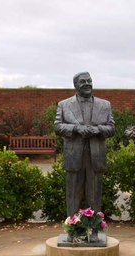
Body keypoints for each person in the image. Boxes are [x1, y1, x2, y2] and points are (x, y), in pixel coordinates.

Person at [54, 72, 115, 219]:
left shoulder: (105, 105)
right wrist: (76, 128)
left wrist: (98, 129)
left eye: (89, 81)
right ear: (75, 85)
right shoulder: (64, 105)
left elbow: (111, 128)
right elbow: (57, 126)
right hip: (74, 156)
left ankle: (94, 230)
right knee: (73, 195)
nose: (87, 84)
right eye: (83, 82)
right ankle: (72, 230)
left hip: (95, 156)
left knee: (94, 196)